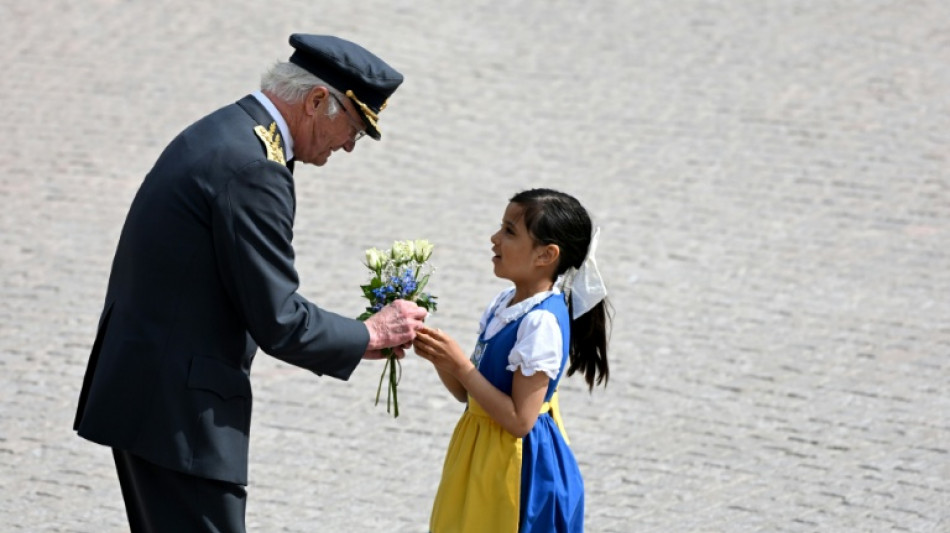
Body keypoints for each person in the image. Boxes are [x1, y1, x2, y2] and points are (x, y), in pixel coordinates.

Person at [73, 34, 428, 532]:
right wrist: (371, 333)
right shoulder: (256, 167)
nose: (349, 146)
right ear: (316, 101)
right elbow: (279, 319)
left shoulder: (230, 128)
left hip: (149, 394)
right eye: (353, 128)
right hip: (181, 414)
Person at [412, 188, 611, 533]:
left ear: (546, 255)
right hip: (481, 452)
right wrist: (438, 356)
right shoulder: (506, 302)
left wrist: (461, 365)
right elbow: (468, 393)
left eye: (509, 232)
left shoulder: (541, 322)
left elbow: (521, 420)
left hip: (517, 467)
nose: (494, 239)